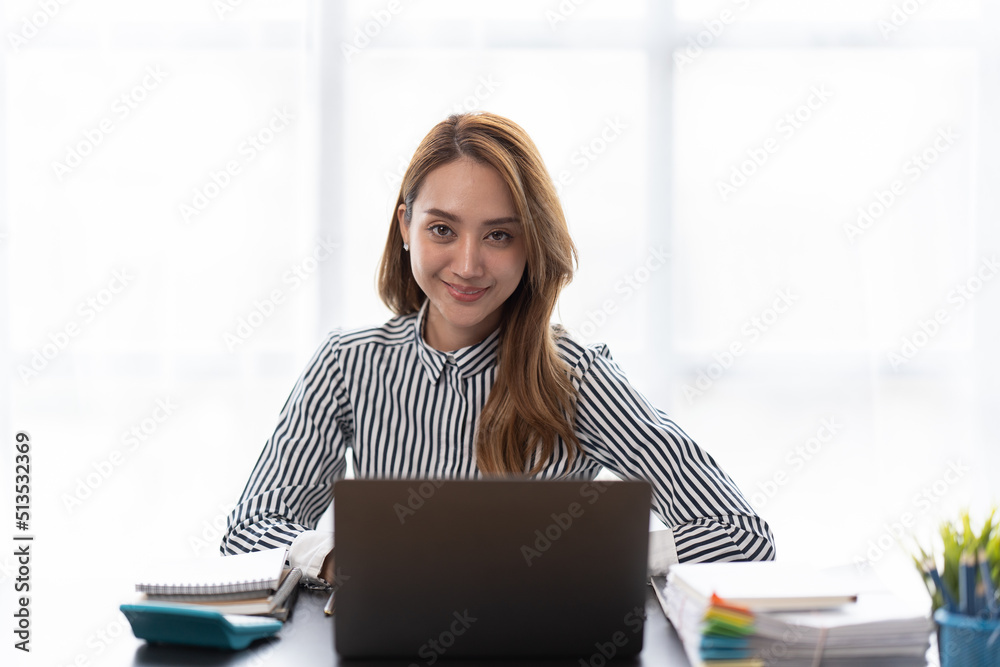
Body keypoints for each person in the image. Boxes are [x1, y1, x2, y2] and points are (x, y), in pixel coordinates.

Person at [221, 112, 775, 585]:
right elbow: (249, 530)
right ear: (406, 226)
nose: (467, 265)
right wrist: (344, 559)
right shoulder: (347, 365)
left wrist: (582, 558)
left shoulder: (575, 378)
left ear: (531, 245)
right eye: (442, 229)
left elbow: (741, 538)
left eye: (499, 235)